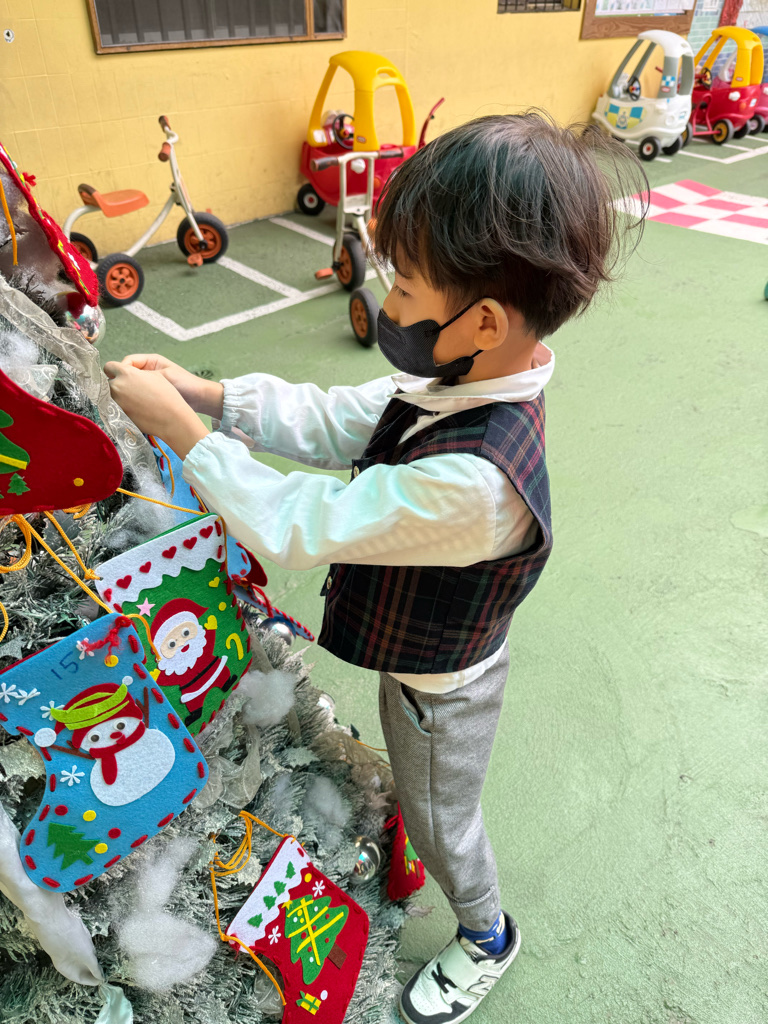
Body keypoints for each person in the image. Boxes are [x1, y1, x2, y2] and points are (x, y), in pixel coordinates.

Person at [105, 112, 646, 1024]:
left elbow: (297, 523)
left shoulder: (478, 485)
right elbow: (337, 417)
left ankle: (486, 933)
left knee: (443, 821)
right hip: (418, 668)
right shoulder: (456, 379)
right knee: (419, 789)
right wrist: (212, 397)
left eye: (405, 286)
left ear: (482, 320)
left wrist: (186, 434)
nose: (388, 303)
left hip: (444, 695)